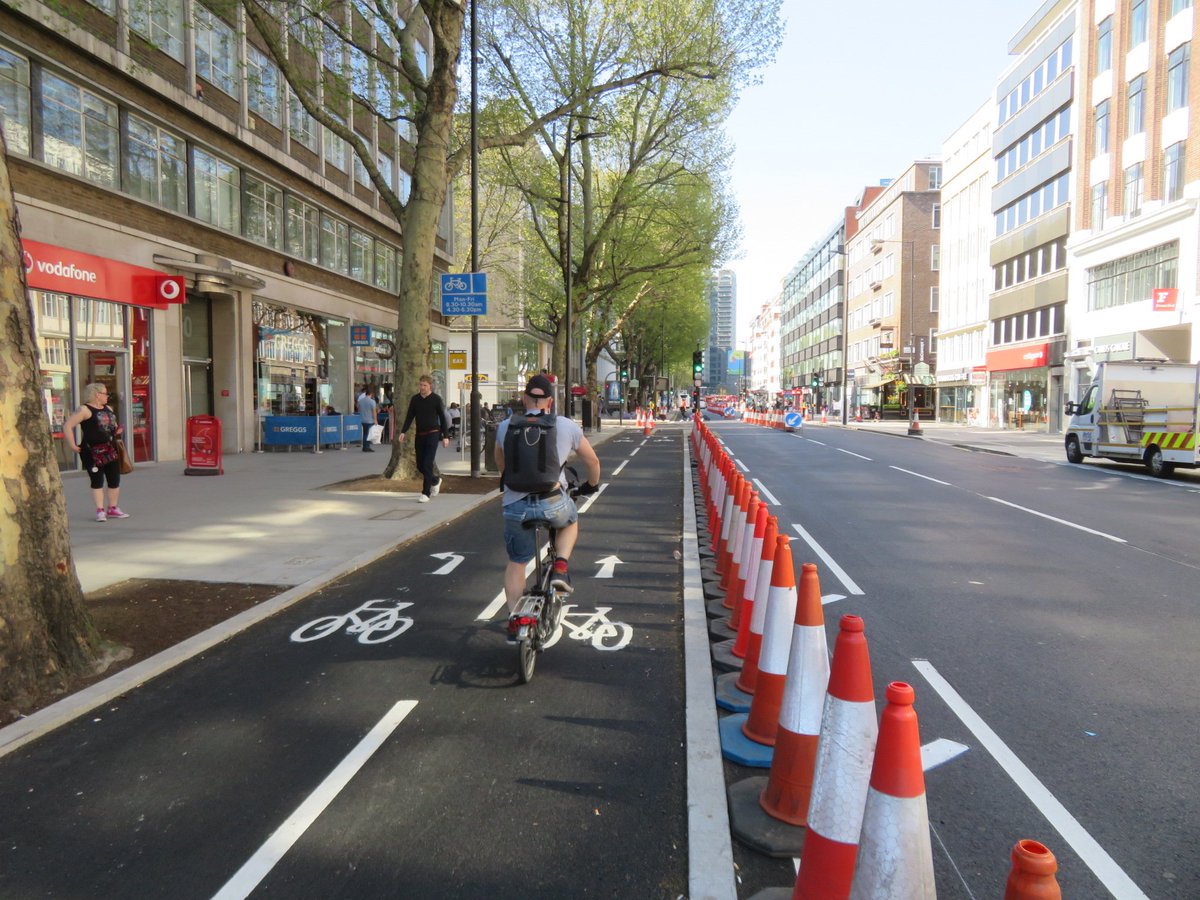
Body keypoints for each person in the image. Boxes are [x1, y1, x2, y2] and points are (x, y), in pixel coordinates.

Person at [495, 374, 601, 638]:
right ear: (550, 401)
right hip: (552, 501)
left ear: (523, 398)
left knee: (516, 563)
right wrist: (591, 486)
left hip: (515, 504)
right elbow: (593, 462)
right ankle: (561, 567)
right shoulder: (565, 425)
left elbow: (502, 466)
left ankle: (516, 618)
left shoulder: (506, 426)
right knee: (571, 521)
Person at [64, 383, 129, 522]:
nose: (107, 396)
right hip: (92, 451)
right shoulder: (85, 410)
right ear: (97, 395)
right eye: (106, 393)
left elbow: (112, 427)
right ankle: (100, 510)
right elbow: (68, 426)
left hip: (110, 449)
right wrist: (73, 445)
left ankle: (113, 508)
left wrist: (117, 431)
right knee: (97, 480)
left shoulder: (108, 409)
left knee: (114, 479)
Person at [397, 374, 450, 502]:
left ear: (430, 386)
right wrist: (403, 431)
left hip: (433, 433)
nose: (422, 387)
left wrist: (445, 436)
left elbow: (443, 418)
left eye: (424, 385)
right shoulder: (415, 399)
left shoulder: (436, 399)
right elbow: (410, 416)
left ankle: (426, 493)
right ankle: (435, 480)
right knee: (420, 465)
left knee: (427, 463)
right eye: (420, 385)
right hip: (420, 435)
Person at [357, 385, 378, 452]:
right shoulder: (372, 401)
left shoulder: (361, 401)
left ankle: (364, 446)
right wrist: (375, 420)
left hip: (363, 419)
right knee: (368, 434)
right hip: (370, 420)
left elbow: (358, 409)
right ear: (371, 394)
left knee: (365, 433)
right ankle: (367, 447)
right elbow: (374, 412)